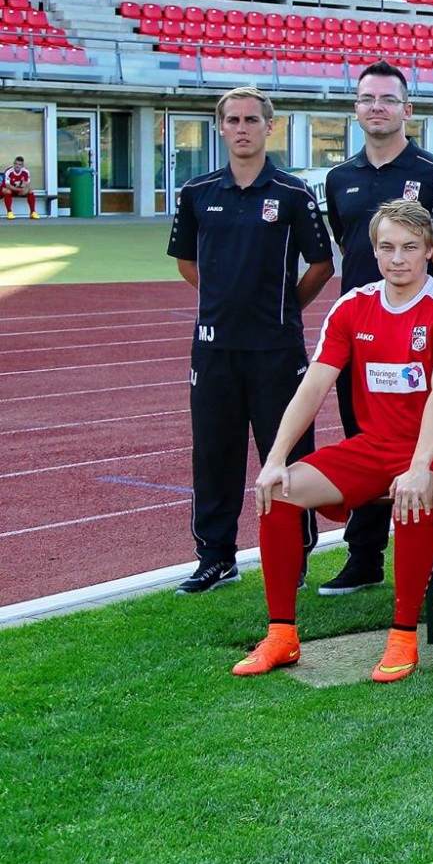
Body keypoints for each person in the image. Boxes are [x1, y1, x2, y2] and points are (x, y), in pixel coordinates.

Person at [235, 201, 433, 681]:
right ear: (373, 250)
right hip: (372, 445)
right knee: (276, 491)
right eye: (387, 247)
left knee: (413, 494)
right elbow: (314, 385)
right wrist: (275, 458)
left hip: (430, 446)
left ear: (429, 250)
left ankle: (403, 637)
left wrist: (422, 464)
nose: (397, 258)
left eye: (409, 247)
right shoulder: (353, 305)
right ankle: (281, 635)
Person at [167, 87, 334, 594]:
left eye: (251, 120)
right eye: (232, 121)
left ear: (269, 126)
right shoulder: (197, 192)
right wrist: (224, 302)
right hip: (214, 347)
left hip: (276, 349)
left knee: (287, 454)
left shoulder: (291, 193)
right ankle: (216, 557)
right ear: (221, 129)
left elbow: (322, 265)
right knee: (213, 453)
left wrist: (283, 311)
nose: (242, 128)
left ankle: (295, 556)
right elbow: (186, 261)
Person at [315, 61, 433, 598]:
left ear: (406, 110)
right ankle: (364, 555)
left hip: (420, 334)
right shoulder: (338, 178)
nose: (377, 107)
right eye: (367, 98)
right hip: (361, 335)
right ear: (356, 108)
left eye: (388, 99)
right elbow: (346, 247)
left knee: (427, 445)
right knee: (362, 441)